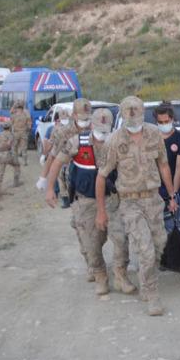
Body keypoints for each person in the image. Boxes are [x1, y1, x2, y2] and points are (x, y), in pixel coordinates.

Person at [95, 96, 178, 316]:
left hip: (153, 199)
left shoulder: (154, 134)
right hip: (130, 202)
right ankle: (152, 295)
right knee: (146, 250)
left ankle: (145, 279)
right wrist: (102, 211)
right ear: (123, 115)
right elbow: (101, 176)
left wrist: (172, 195)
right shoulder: (114, 140)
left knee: (159, 243)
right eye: (129, 115)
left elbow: (163, 165)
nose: (134, 118)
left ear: (143, 112)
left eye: (138, 113)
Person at [45, 108, 136, 296]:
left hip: (112, 199)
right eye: (100, 130)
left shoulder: (118, 143)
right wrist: (49, 188)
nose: (103, 135)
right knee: (91, 244)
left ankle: (120, 275)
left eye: (106, 130)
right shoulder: (77, 142)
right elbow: (56, 162)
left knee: (121, 238)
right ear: (92, 125)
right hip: (86, 201)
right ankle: (101, 276)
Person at [36, 99, 91, 209]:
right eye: (82, 117)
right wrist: (44, 179)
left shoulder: (96, 128)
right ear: (74, 115)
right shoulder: (64, 132)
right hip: (73, 178)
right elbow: (52, 157)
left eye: (87, 117)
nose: (85, 121)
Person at [154, 102, 180, 212]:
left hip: (176, 187)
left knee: (178, 223)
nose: (163, 124)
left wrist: (173, 196)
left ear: (172, 119)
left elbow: (179, 169)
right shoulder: (151, 138)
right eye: (160, 122)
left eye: (166, 121)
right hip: (156, 188)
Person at [0, 121, 21, 192]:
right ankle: (16, 182)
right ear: (10, 127)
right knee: (17, 165)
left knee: (0, 172)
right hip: (8, 155)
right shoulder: (12, 135)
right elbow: (12, 145)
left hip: (0, 155)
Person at [10, 101, 32, 166]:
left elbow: (11, 122)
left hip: (16, 133)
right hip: (23, 133)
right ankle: (25, 161)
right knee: (24, 147)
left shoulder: (14, 113)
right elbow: (29, 122)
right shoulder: (26, 113)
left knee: (14, 147)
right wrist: (28, 129)